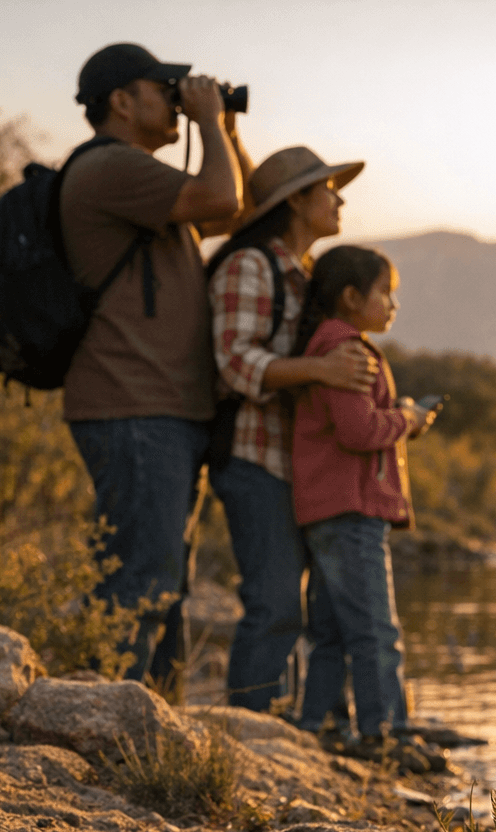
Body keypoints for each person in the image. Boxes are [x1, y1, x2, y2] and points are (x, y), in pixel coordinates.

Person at [61, 43, 248, 681]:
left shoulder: (150, 187)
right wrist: (209, 126)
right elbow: (222, 199)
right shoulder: (112, 168)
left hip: (159, 408)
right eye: (161, 88)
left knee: (163, 581)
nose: (174, 100)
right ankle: (105, 718)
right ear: (121, 101)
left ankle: (150, 727)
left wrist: (224, 127)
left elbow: (240, 208)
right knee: (141, 579)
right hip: (133, 403)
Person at [207, 147, 378, 712]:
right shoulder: (250, 266)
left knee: (299, 606)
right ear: (296, 202)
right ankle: (246, 727)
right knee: (275, 601)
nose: (339, 198)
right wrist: (322, 370)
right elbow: (233, 362)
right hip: (254, 457)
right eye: (326, 189)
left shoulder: (301, 275)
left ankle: (278, 719)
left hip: (296, 465)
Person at [287, 246, 434, 750]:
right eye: (384, 292)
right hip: (352, 510)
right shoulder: (348, 351)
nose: (393, 304)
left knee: (329, 630)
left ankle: (317, 725)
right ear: (351, 297)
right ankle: (383, 732)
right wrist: (408, 420)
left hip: (326, 509)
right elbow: (358, 430)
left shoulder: (326, 344)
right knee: (376, 631)